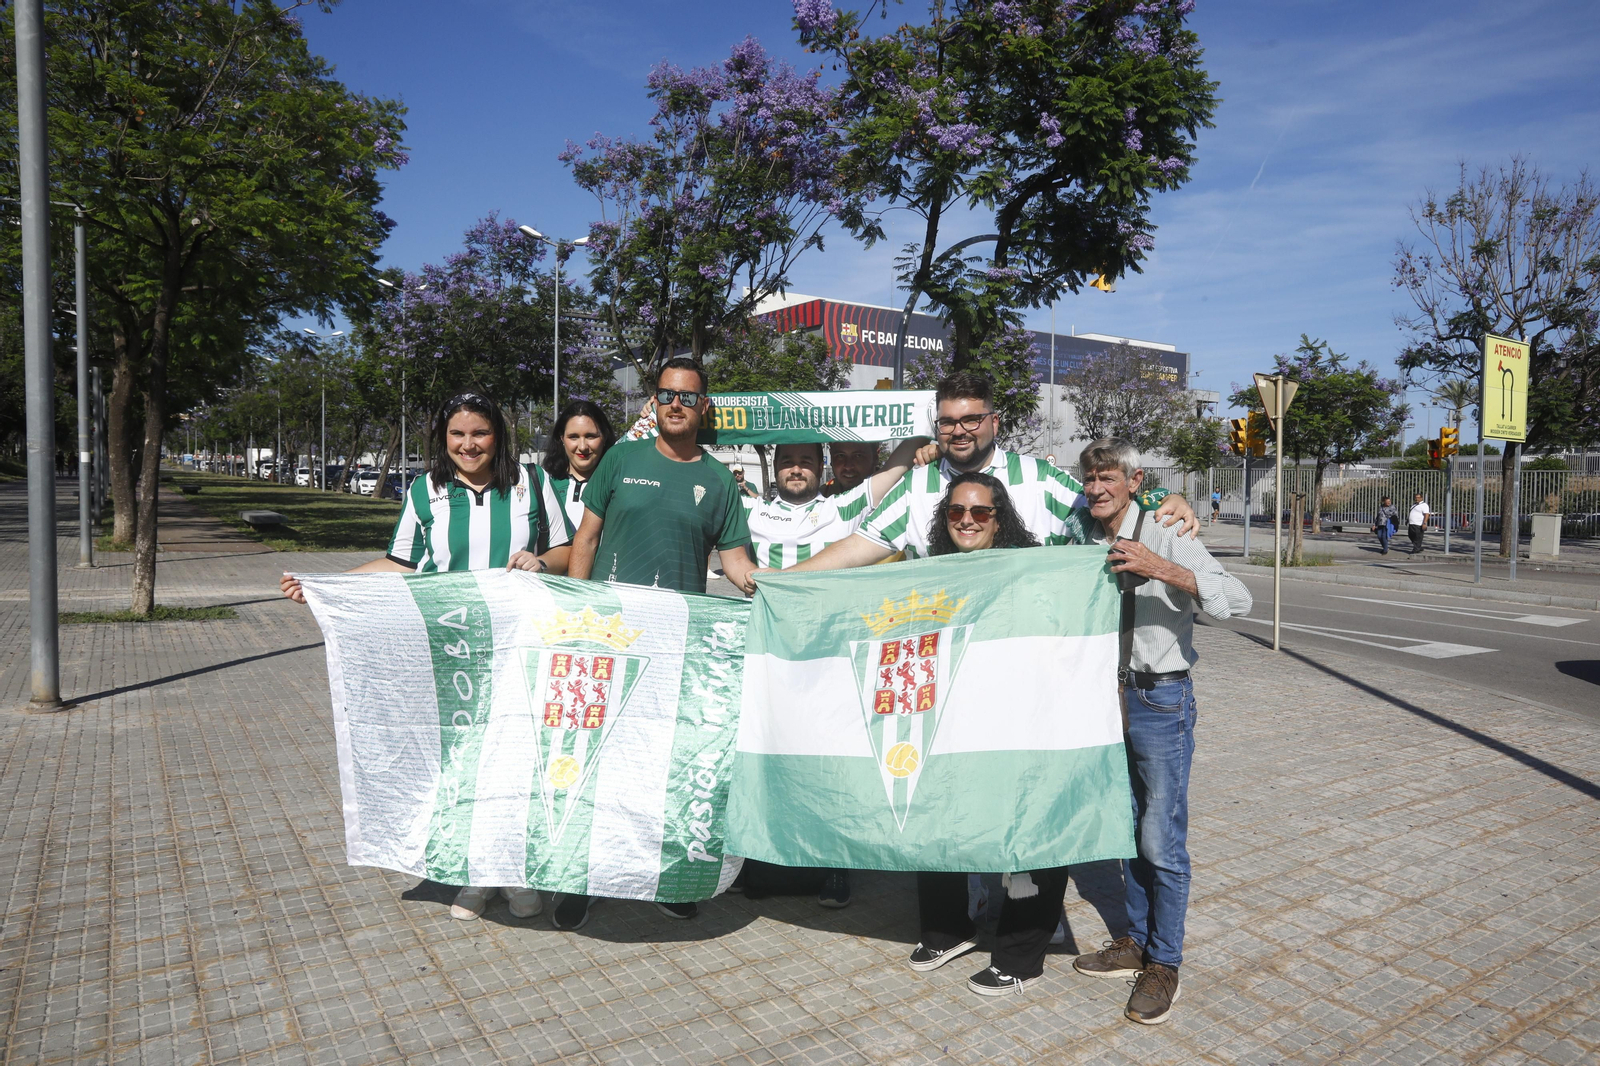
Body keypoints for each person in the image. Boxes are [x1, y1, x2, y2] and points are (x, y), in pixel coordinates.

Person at [281, 392, 570, 922]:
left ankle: (513, 873)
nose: (468, 444)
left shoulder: (534, 484)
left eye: (479, 433)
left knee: (514, 757)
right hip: (450, 651)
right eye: (457, 435)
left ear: (498, 436)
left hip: (519, 646)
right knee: (459, 760)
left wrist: (543, 561)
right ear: (443, 440)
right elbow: (401, 563)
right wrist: (326, 587)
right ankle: (470, 876)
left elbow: (569, 550)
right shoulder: (426, 489)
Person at [559, 357, 757, 930]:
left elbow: (738, 564)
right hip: (605, 639)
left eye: (688, 397)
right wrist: (576, 616)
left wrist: (775, 590)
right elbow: (585, 541)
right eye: (667, 395)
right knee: (592, 761)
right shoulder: (621, 458)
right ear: (655, 401)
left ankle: (662, 880)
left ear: (704, 407)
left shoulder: (719, 481)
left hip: (676, 648)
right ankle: (578, 880)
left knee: (658, 766)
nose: (676, 404)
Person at [1068, 438, 1251, 1025]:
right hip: (1103, 700)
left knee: (1161, 839)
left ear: (1132, 479)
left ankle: (1164, 962)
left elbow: (1237, 600)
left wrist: (1163, 568)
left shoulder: (1169, 528)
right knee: (1126, 829)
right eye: (1090, 478)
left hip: (1159, 698)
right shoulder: (1078, 531)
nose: (1097, 488)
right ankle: (1137, 943)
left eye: (1107, 478)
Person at [740, 434, 930, 908]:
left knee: (832, 760)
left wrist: (921, 424)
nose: (796, 469)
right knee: (771, 754)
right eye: (788, 462)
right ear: (774, 467)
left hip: (830, 656)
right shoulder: (748, 511)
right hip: (771, 655)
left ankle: (835, 867)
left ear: (819, 466)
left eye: (806, 461)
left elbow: (898, 464)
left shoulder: (841, 508)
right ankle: (764, 861)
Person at [777, 372, 1199, 571]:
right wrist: (785, 580)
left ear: (994, 423)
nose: (958, 431)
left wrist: (1164, 499)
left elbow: (1107, 502)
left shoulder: (1037, 478)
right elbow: (859, 546)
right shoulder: (916, 485)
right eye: (947, 422)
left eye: (971, 420)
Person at [910, 472, 1061, 997]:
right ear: (943, 517)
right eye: (956, 512)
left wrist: (1160, 503)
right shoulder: (932, 573)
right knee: (939, 817)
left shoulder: (1032, 570)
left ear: (1001, 517)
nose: (967, 520)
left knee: (1028, 832)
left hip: (1021, 721)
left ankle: (1021, 954)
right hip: (953, 721)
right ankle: (948, 930)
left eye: (980, 512)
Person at [541, 399, 618, 536]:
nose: (582, 447)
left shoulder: (619, 486)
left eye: (590, 436)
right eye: (573, 437)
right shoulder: (543, 485)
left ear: (605, 437)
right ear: (561, 439)